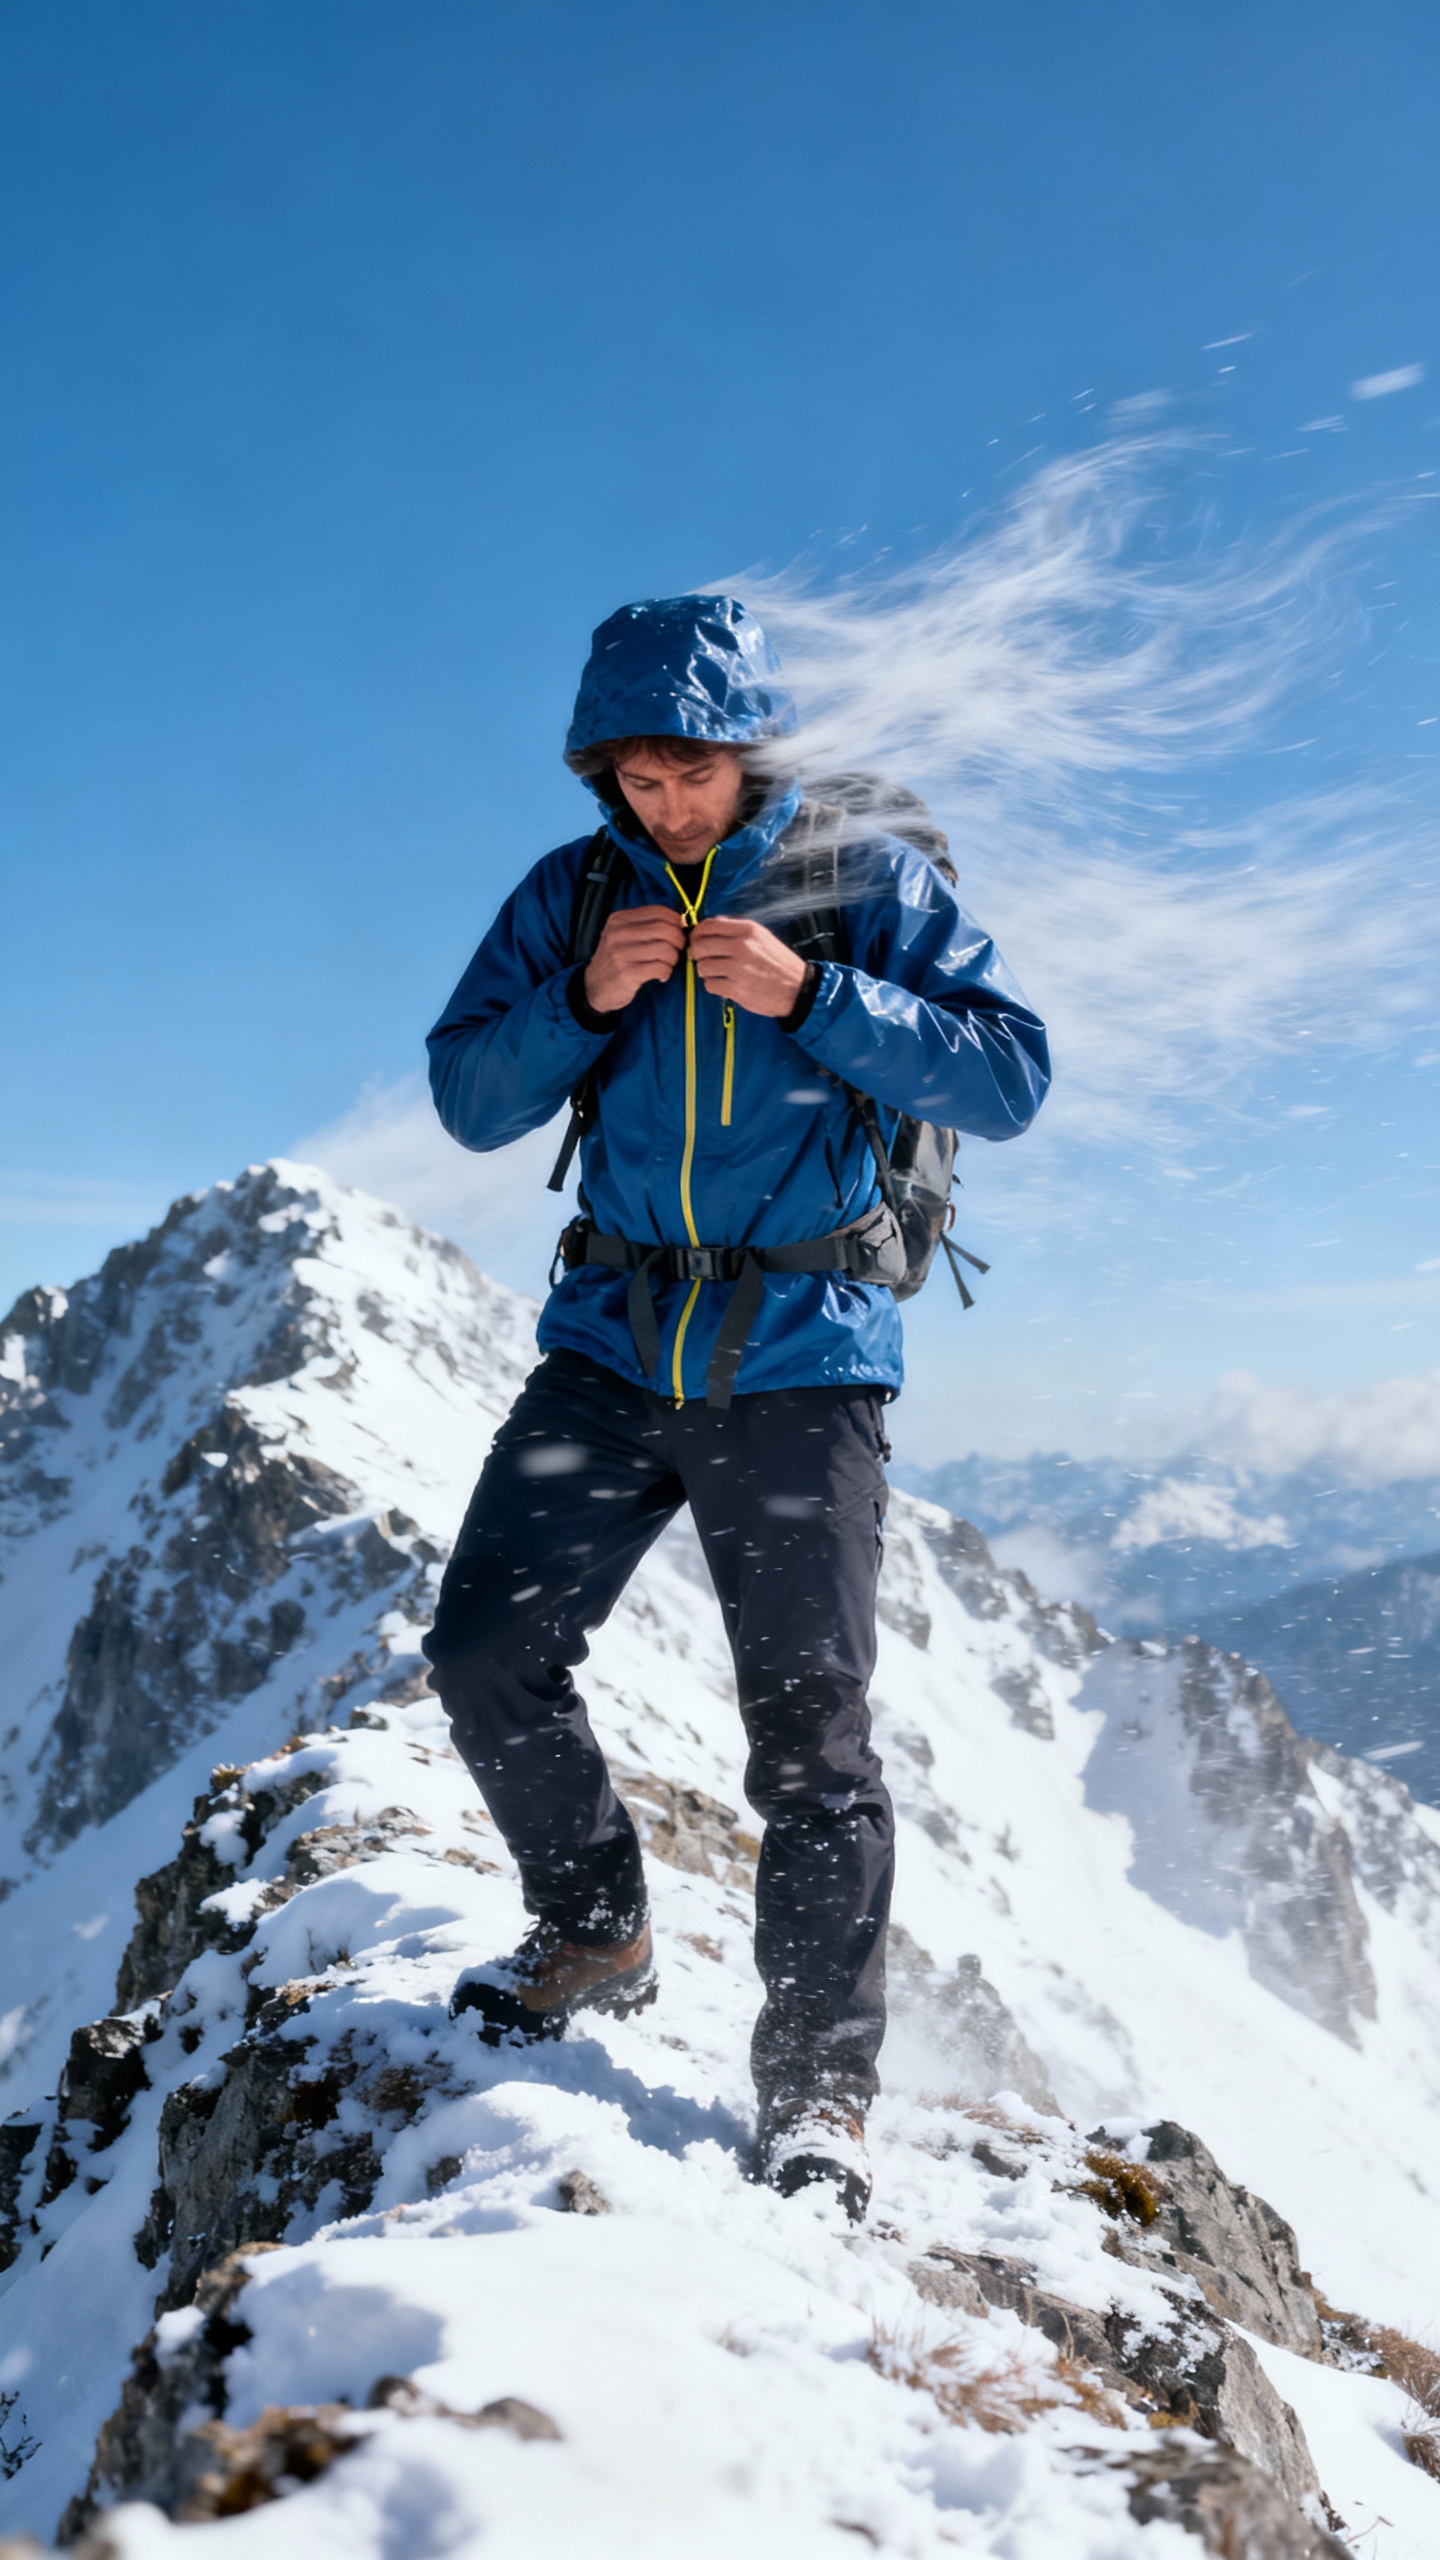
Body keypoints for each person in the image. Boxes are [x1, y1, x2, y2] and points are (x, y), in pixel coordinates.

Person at [424, 594, 1049, 2219]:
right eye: (635, 779)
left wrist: (815, 997)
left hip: (800, 1356)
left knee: (808, 1736)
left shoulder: (861, 883)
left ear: (751, 753)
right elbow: (469, 1097)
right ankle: (595, 1933)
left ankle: (821, 2093)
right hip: (612, 1342)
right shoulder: (572, 897)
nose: (666, 806)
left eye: (690, 772)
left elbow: (1008, 1077)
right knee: (483, 1647)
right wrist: (582, 1001)